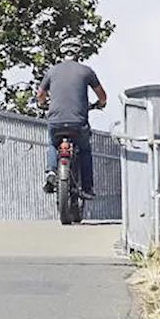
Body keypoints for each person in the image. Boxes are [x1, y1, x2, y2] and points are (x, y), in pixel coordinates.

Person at [37, 38, 107, 199]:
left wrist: (42, 105)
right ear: (78, 53)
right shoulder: (86, 71)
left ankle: (51, 171)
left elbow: (40, 94)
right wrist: (100, 104)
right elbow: (102, 95)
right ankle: (88, 188)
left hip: (56, 122)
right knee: (84, 150)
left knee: (53, 144)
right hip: (78, 122)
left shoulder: (52, 71)